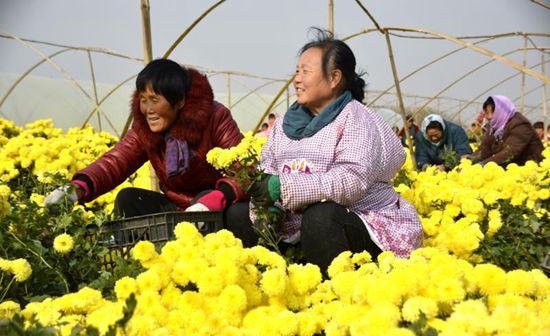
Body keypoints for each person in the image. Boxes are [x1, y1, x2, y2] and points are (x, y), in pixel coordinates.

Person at [225, 30, 423, 273]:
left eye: (305, 72)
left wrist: (282, 186)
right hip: (298, 222)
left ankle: (333, 295)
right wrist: (269, 202)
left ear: (334, 78)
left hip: (361, 219)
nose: (297, 79)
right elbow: (268, 169)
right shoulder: (286, 123)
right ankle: (269, 288)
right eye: (296, 71)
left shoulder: (356, 119)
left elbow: (351, 181)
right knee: (238, 215)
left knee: (321, 216)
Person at [44, 59, 245, 217]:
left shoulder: (215, 117)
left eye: (155, 100)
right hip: (178, 208)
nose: (148, 110)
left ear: (181, 101)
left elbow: (245, 171)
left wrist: (216, 199)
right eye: (143, 100)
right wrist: (77, 188)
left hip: (216, 207)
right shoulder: (145, 129)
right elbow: (117, 160)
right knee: (129, 198)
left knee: (237, 213)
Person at [471, 95, 543, 166]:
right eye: (487, 113)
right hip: (510, 169)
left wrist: (482, 165)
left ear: (502, 110)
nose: (489, 117)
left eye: (493, 112)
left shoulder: (520, 124)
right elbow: (484, 149)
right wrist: (469, 161)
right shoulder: (494, 126)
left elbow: (509, 152)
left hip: (532, 170)